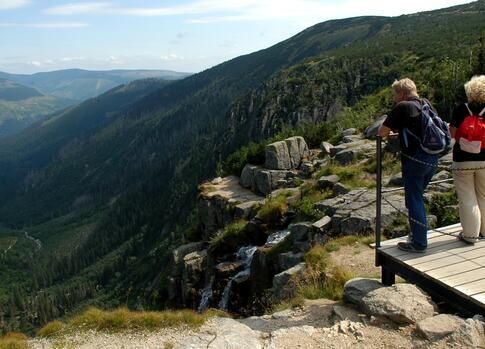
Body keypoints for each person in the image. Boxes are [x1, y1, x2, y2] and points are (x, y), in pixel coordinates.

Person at [378, 78, 438, 253]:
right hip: (433, 158)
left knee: (414, 200)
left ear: (402, 93)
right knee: (418, 196)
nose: (394, 99)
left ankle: (419, 242)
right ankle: (417, 234)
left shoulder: (402, 106)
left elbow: (382, 132)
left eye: (395, 95)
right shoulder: (425, 103)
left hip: (415, 160)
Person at [449, 75, 485, 245]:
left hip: (462, 160)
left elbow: (453, 134)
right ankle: (484, 232)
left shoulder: (461, 109)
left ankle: (471, 235)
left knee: (467, 198)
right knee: (484, 196)